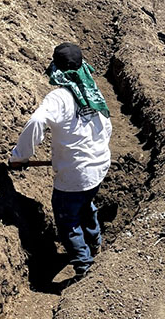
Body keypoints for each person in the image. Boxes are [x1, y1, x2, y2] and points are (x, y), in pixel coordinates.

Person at [9, 42, 112, 280]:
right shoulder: (91, 90)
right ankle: (96, 244)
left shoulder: (59, 97)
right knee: (86, 205)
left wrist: (20, 157)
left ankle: (84, 268)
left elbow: (36, 123)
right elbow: (105, 125)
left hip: (75, 174)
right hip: (98, 166)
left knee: (67, 222)